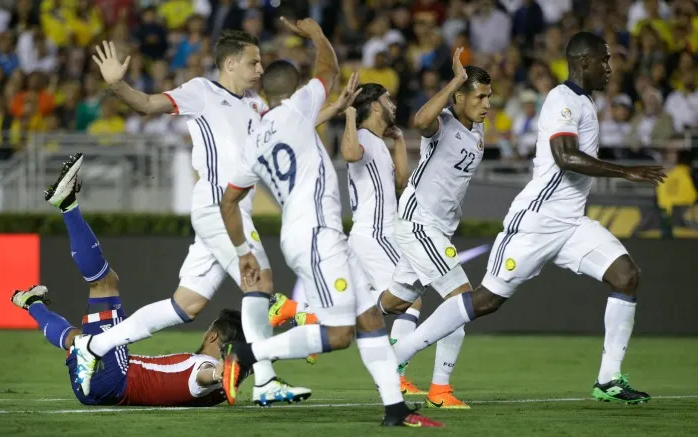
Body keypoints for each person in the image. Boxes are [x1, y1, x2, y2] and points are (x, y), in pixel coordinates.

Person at [389, 32, 666, 405]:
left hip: (571, 222)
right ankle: (396, 357)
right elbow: (565, 156)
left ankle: (608, 379)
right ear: (584, 61)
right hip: (537, 219)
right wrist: (625, 171)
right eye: (604, 60)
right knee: (483, 301)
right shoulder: (561, 100)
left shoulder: (578, 104)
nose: (609, 68)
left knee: (626, 276)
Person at [218, 17, 442, 428]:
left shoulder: (257, 137)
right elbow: (329, 70)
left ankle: (395, 410)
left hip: (309, 233)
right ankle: (248, 354)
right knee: (339, 335)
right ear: (293, 91)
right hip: (317, 235)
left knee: (369, 319)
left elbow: (229, 200)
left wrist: (242, 252)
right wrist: (318, 34)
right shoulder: (295, 111)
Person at [68, 31, 311, 405]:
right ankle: (265, 380)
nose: (260, 69)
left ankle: (94, 345)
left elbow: (292, 125)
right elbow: (148, 105)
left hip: (233, 210)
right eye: (253, 61)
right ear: (230, 63)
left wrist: (333, 107)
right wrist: (117, 84)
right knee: (259, 284)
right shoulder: (202, 92)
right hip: (216, 206)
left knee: (185, 306)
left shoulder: (256, 105)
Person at [10, 155, 245, 406]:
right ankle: (32, 303)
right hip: (95, 389)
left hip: (113, 379)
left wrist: (219, 372)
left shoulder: (208, 368)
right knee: (81, 341)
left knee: (105, 283)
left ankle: (67, 204)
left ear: (213, 337)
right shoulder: (223, 392)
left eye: (210, 327)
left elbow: (203, 378)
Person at [360, 48, 489, 410]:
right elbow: (419, 121)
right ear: (460, 97)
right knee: (462, 300)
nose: (486, 104)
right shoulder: (443, 122)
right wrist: (455, 82)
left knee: (395, 301)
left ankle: (315, 320)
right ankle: (438, 387)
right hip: (420, 224)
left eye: (489, 97)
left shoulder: (478, 133)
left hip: (436, 229)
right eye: (479, 96)